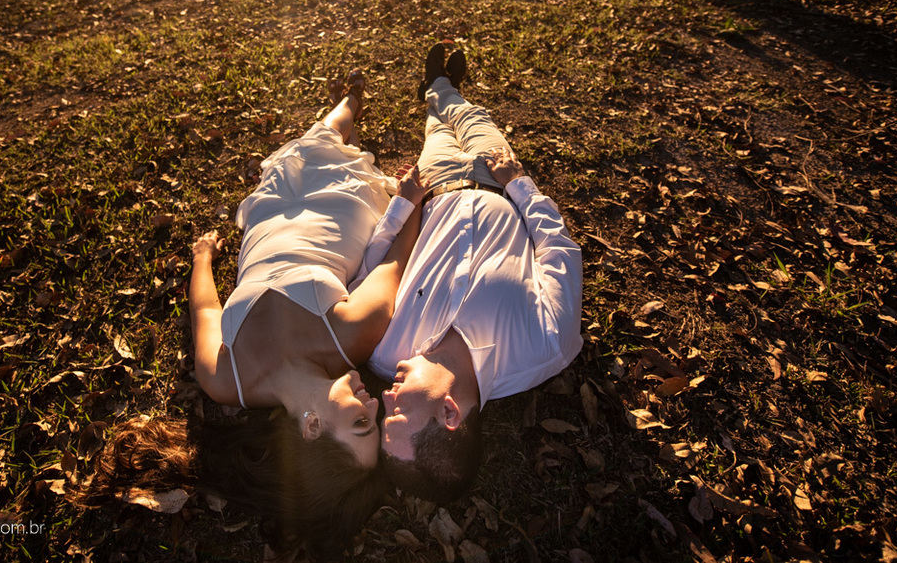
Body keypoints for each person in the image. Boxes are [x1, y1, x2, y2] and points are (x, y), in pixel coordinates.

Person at [81, 72, 426, 558]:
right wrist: (414, 203)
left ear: (311, 427)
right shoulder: (353, 335)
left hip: (271, 213)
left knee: (310, 144)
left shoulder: (226, 381)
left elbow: (206, 309)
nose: (375, 407)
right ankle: (351, 100)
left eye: (361, 424)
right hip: (344, 205)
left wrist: (202, 257)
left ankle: (346, 106)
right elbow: (393, 263)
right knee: (325, 137)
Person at [363, 44, 584, 503]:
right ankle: (443, 88)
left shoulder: (382, 350)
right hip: (496, 179)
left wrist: (404, 203)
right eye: (396, 414)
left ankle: (436, 89)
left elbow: (378, 266)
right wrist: (519, 183)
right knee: (472, 119)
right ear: (449, 413)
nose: (384, 397)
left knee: (436, 130)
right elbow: (558, 250)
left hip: (433, 184)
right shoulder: (545, 345)